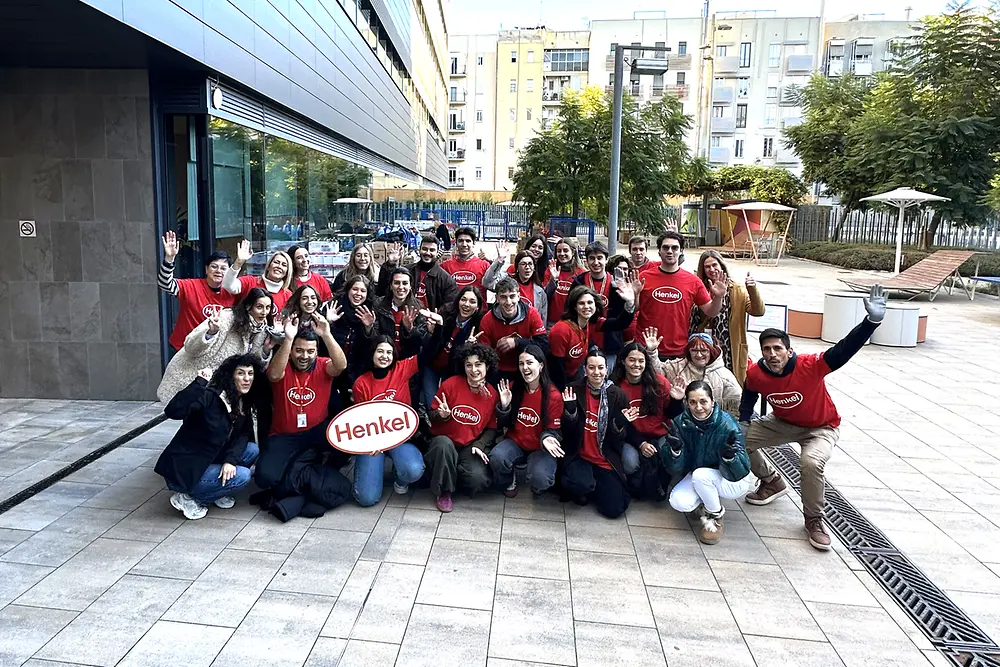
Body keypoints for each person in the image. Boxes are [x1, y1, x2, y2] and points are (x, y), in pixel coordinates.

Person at [739, 285, 887, 551]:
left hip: (821, 427)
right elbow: (749, 394)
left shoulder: (811, 365)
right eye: (766, 349)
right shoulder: (757, 373)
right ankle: (772, 482)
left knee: (810, 462)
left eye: (777, 349)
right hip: (783, 422)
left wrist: (871, 322)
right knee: (738, 439)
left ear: (789, 350)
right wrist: (743, 420)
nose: (772, 355)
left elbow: (844, 350)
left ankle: (814, 520)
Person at [252, 316, 352, 520]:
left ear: (316, 352)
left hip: (317, 430)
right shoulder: (282, 364)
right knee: (264, 478)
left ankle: (297, 476)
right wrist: (288, 339)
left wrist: (326, 334)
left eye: (310, 351)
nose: (304, 356)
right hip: (284, 435)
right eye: (299, 350)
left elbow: (340, 365)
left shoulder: (324, 365)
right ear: (291, 352)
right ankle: (305, 474)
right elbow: (273, 376)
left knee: (344, 448)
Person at [155, 355, 261, 520]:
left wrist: (230, 461)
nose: (247, 379)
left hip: (209, 460)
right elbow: (173, 411)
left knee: (252, 449)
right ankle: (188, 497)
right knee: (243, 476)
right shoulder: (211, 397)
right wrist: (199, 383)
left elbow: (243, 435)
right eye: (241, 373)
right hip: (187, 468)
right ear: (231, 376)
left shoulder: (241, 401)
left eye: (250, 373)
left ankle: (216, 489)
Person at [664, 381, 755, 545]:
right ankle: (705, 502)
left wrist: (729, 458)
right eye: (692, 402)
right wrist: (675, 451)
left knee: (701, 476)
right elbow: (674, 467)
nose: (698, 407)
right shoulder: (680, 423)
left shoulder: (727, 425)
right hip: (699, 474)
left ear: (712, 402)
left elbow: (742, 470)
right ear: (686, 403)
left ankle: (715, 515)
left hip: (730, 478)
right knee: (679, 501)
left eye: (703, 401)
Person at [156, 288, 276, 403]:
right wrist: (210, 333)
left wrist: (265, 349)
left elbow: (252, 364)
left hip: (217, 391)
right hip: (189, 380)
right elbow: (190, 347)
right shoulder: (226, 317)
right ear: (249, 306)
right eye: (259, 307)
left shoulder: (261, 330)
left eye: (268, 307)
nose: (264, 312)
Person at [559, 349, 640, 518]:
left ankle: (595, 487)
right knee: (579, 484)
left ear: (607, 369)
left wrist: (619, 423)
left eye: (601, 368)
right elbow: (566, 432)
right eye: (592, 368)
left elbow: (618, 440)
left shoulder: (618, 396)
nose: (596, 372)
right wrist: (570, 412)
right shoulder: (573, 389)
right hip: (579, 455)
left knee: (615, 509)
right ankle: (585, 486)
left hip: (604, 457)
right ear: (585, 370)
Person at [351, 335, 428, 506]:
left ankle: (400, 478)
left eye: (389, 352)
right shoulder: (361, 383)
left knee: (413, 469)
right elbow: (359, 420)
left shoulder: (401, 369)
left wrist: (438, 327)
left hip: (398, 438)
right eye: (380, 351)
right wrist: (369, 443)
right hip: (373, 441)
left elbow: (428, 354)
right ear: (372, 353)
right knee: (366, 499)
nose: (385, 356)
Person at [427, 343, 500, 512]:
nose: (474, 370)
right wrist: (441, 415)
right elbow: (431, 416)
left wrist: (479, 445)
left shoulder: (492, 394)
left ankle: (448, 476)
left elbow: (492, 428)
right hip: (444, 443)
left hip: (469, 445)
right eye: (469, 365)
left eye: (478, 364)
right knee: (443, 445)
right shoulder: (450, 384)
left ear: (487, 366)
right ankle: (444, 491)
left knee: (478, 480)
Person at [636, 231, 726, 360]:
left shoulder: (693, 281)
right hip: (645, 347)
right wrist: (631, 297)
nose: (670, 251)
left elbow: (711, 312)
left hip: (677, 350)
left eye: (675, 248)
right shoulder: (644, 277)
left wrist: (718, 297)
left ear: (681, 251)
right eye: (665, 247)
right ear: (659, 251)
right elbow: (635, 309)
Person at [491, 346, 564, 498]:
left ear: (541, 365)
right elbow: (503, 423)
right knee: (497, 457)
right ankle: (509, 478)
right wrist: (504, 407)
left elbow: (554, 430)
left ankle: (537, 485)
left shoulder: (553, 396)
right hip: (516, 442)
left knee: (541, 478)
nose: (525, 367)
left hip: (540, 447)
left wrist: (548, 438)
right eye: (521, 363)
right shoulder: (513, 388)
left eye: (529, 362)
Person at [610, 335, 685, 475]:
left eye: (640, 361)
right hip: (632, 437)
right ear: (623, 361)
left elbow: (672, 415)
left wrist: (677, 400)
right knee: (630, 464)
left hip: (660, 433)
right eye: (631, 360)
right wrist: (641, 443)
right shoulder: (616, 387)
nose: (636, 365)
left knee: (669, 458)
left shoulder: (659, 382)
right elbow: (620, 425)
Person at [691, 250, 765, 385]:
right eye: (707, 267)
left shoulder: (737, 290)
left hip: (730, 347)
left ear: (722, 266)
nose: (712, 270)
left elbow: (758, 311)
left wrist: (752, 289)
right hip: (705, 347)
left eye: (714, 265)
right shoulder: (698, 288)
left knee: (730, 386)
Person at [548, 283, 636, 390]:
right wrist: (564, 391)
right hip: (558, 378)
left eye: (590, 302)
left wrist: (630, 303)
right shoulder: (561, 330)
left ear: (595, 305)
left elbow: (620, 323)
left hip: (575, 372)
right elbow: (556, 367)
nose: (586, 307)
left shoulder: (592, 322)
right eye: (581, 303)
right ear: (574, 307)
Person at [158, 231, 235, 351]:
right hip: (184, 349)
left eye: (224, 268)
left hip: (214, 351)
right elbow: (165, 284)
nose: (218, 271)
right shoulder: (191, 286)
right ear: (206, 269)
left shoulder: (234, 292)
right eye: (214, 266)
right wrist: (169, 258)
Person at [421, 286, 485, 407]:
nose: (466, 304)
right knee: (431, 404)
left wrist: (471, 349)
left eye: (472, 302)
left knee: (447, 405)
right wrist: (431, 333)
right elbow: (426, 345)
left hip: (453, 371)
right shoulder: (445, 313)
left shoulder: (478, 326)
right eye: (463, 299)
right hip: (432, 366)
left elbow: (476, 359)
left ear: (477, 307)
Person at [572, 242, 631, 370]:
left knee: (603, 377)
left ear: (606, 259)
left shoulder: (617, 284)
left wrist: (630, 302)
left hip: (610, 341)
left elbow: (622, 318)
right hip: (583, 340)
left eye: (599, 258)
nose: (596, 262)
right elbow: (570, 310)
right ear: (586, 260)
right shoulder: (579, 282)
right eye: (592, 258)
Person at [477, 277, 549, 379]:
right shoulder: (487, 320)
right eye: (503, 297)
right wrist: (494, 350)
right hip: (498, 369)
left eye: (512, 296)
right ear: (497, 298)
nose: (508, 302)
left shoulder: (531, 314)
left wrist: (517, 342)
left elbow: (544, 346)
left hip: (526, 368)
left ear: (519, 296)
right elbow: (483, 356)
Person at [661, 333, 743, 418]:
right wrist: (651, 353)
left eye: (703, 350)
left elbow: (738, 406)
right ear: (689, 351)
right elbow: (655, 373)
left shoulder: (724, 375)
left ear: (711, 351)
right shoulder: (677, 367)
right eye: (694, 350)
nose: (699, 355)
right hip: (683, 423)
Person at [378, 236, 457, 311]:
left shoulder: (445, 279)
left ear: (437, 252)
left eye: (432, 250)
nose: (428, 253)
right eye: (424, 249)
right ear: (419, 250)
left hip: (430, 322)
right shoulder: (407, 271)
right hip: (403, 319)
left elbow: (449, 306)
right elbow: (383, 290)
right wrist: (390, 265)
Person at [372, 267, 429, 361]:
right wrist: (369, 327)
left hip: (407, 361)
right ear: (391, 286)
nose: (401, 287)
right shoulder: (378, 304)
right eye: (397, 283)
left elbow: (421, 341)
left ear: (410, 286)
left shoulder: (419, 307)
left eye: (405, 283)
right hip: (384, 358)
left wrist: (410, 329)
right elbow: (375, 337)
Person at [223, 239, 294, 312]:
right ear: (268, 266)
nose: (279, 266)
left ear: (287, 272)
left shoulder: (288, 296)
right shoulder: (249, 282)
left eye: (284, 265)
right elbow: (227, 285)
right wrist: (238, 262)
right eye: (276, 262)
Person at [545, 237, 586, 328]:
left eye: (565, 250)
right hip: (552, 321)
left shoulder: (582, 273)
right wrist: (553, 280)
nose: (562, 253)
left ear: (573, 252)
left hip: (573, 321)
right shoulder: (551, 270)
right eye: (559, 251)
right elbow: (545, 296)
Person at [439, 227, 492, 292]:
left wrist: (495, 262)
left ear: (473, 243)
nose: (464, 244)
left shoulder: (484, 265)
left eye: (468, 241)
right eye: (461, 241)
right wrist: (434, 262)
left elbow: (496, 286)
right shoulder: (445, 266)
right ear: (456, 243)